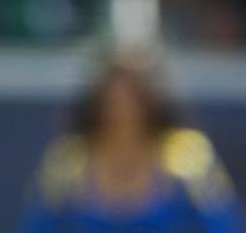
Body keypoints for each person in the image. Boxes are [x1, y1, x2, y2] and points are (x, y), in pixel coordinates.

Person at [21, 53, 244, 233]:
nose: (122, 111)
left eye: (132, 100)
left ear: (151, 104)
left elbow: (224, 225)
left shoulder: (187, 158)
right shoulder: (68, 160)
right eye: (112, 101)